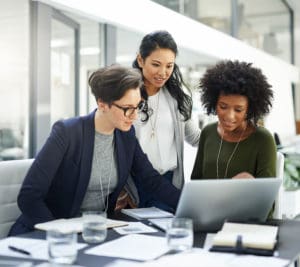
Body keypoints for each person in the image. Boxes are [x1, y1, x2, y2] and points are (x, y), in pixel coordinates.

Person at [8, 64, 180, 236]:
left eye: (138, 107)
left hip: (95, 232)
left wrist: (187, 204)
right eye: (127, 109)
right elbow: (29, 196)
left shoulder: (125, 136)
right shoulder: (67, 132)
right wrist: (60, 233)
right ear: (102, 104)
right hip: (48, 234)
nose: (134, 116)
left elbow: (150, 179)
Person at [118, 30, 200, 212]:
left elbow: (195, 137)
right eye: (156, 64)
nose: (163, 73)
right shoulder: (125, 96)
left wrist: (231, 133)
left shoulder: (177, 97)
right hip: (133, 186)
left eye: (169, 66)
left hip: (169, 183)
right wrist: (121, 188)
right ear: (140, 60)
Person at [191, 60, 276, 180]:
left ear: (249, 109)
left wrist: (250, 185)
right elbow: (196, 181)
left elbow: (267, 195)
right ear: (214, 103)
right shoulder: (207, 132)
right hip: (207, 200)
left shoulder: (263, 139)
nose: (230, 116)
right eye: (223, 107)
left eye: (238, 110)